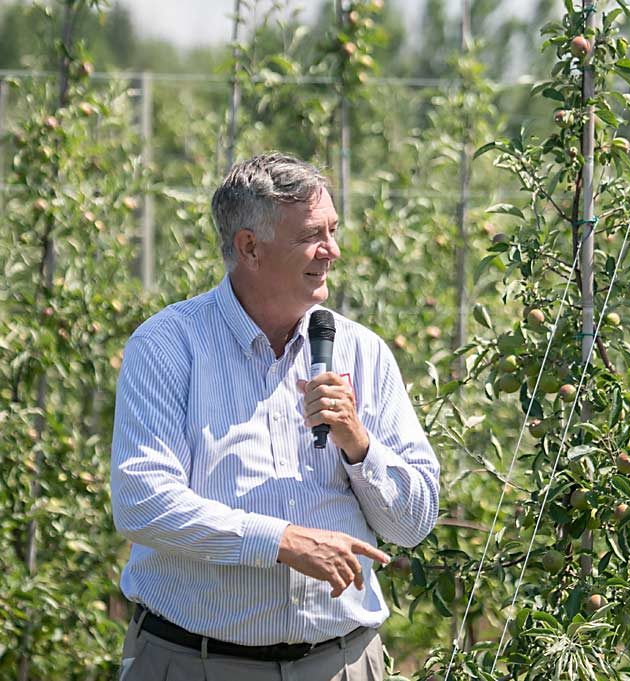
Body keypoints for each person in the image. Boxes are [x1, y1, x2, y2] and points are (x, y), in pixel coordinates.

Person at [110, 152, 440, 680]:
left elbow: (413, 524)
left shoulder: (363, 352)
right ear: (249, 248)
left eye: (333, 230)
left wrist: (359, 445)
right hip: (198, 662)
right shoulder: (169, 347)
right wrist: (282, 541)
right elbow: (142, 501)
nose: (332, 251)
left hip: (342, 663)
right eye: (312, 235)